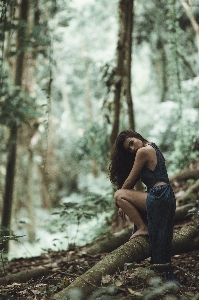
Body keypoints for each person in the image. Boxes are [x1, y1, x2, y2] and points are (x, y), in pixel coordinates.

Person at [109, 129, 178, 283]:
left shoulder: (143, 152)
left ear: (137, 136)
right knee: (122, 196)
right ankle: (160, 270)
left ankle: (142, 228)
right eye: (129, 149)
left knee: (119, 194)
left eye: (131, 143)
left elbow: (129, 182)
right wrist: (125, 202)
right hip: (165, 196)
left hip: (159, 196)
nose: (132, 149)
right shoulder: (152, 146)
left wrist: (119, 200)